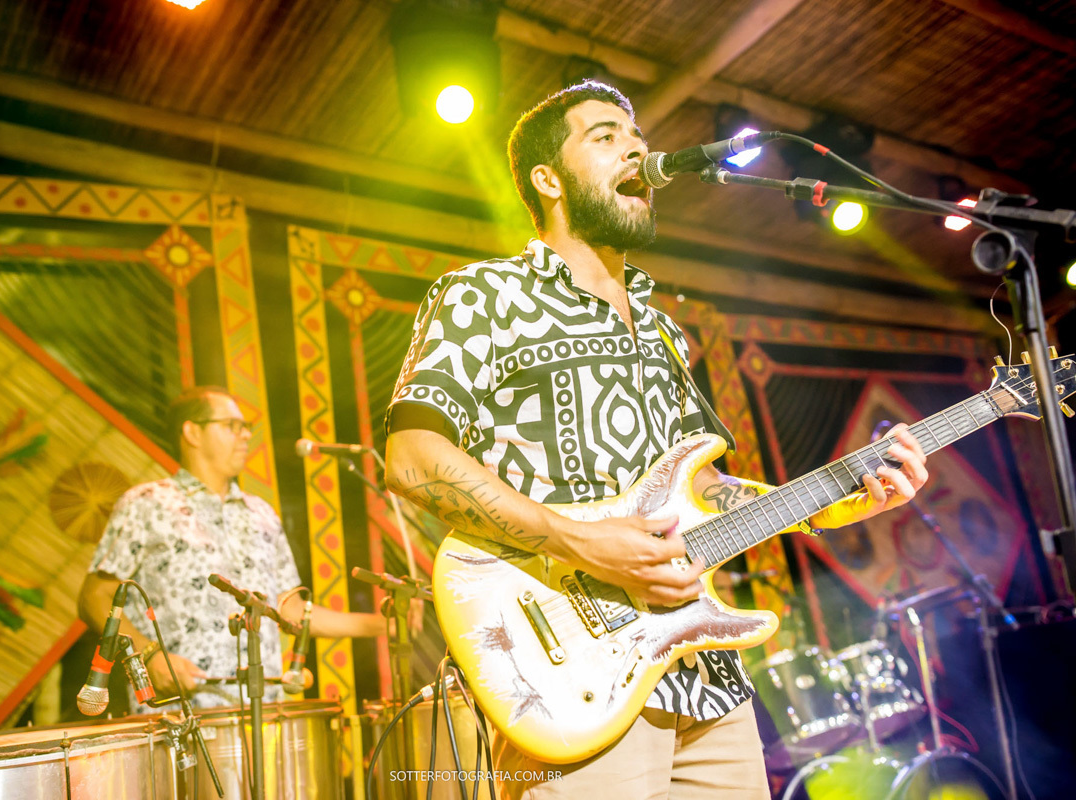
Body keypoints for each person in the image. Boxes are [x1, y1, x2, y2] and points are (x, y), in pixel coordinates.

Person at [384, 81, 929, 799]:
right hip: (574, 679)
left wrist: (834, 502)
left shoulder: (665, 331)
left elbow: (704, 490)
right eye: (605, 135)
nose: (637, 146)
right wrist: (575, 540)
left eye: (636, 134)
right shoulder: (484, 294)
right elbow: (413, 458)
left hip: (704, 678)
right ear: (549, 179)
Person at [78, 385, 386, 708]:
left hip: (263, 717)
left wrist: (381, 625)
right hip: (177, 718)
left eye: (246, 428)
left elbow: (290, 610)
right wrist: (150, 655)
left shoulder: (262, 514)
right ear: (192, 432)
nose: (245, 436)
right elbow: (93, 597)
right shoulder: (146, 503)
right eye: (232, 426)